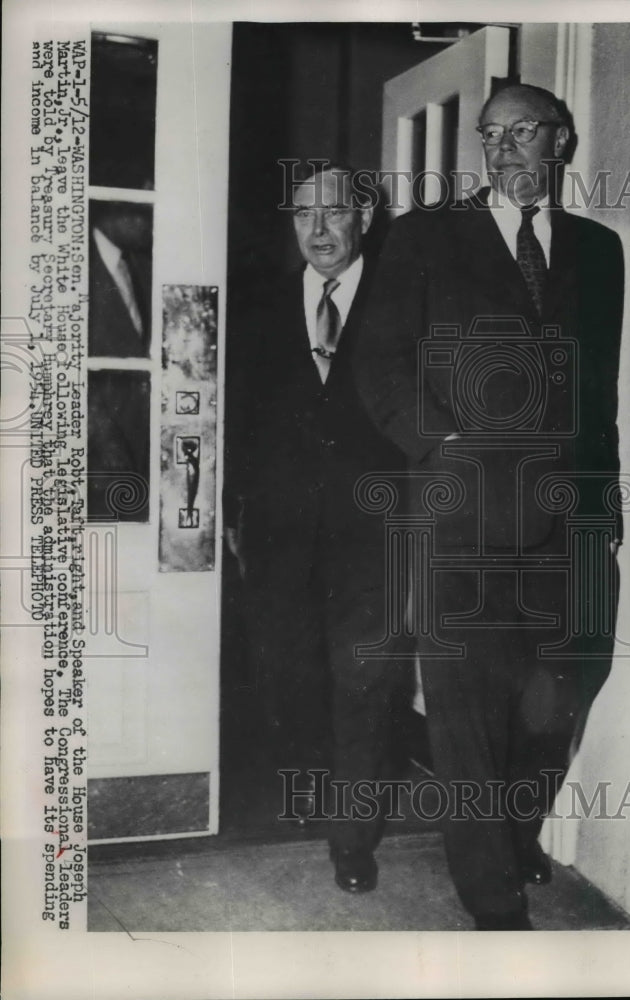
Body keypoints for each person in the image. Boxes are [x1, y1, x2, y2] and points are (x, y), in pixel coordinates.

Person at [355, 84, 624, 929]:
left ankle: (514, 829)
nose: (503, 149)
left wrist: (603, 503)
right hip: (459, 514)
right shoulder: (427, 238)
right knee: (466, 707)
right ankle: (489, 893)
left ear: (561, 142)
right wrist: (435, 445)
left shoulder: (597, 249)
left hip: (567, 518)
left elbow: (598, 388)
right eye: (489, 135)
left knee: (563, 687)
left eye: (521, 133)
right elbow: (379, 362)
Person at [224, 163, 407, 894]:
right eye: (304, 214)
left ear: (363, 214)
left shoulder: (403, 294)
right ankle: (312, 790)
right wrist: (236, 509)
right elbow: (236, 412)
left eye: (334, 212)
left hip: (376, 528)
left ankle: (352, 842)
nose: (319, 230)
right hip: (278, 530)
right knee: (288, 671)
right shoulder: (260, 301)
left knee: (364, 680)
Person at [89, 201, 152, 358]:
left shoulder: (144, 265)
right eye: (146, 210)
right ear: (116, 204)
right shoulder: (70, 266)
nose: (153, 221)